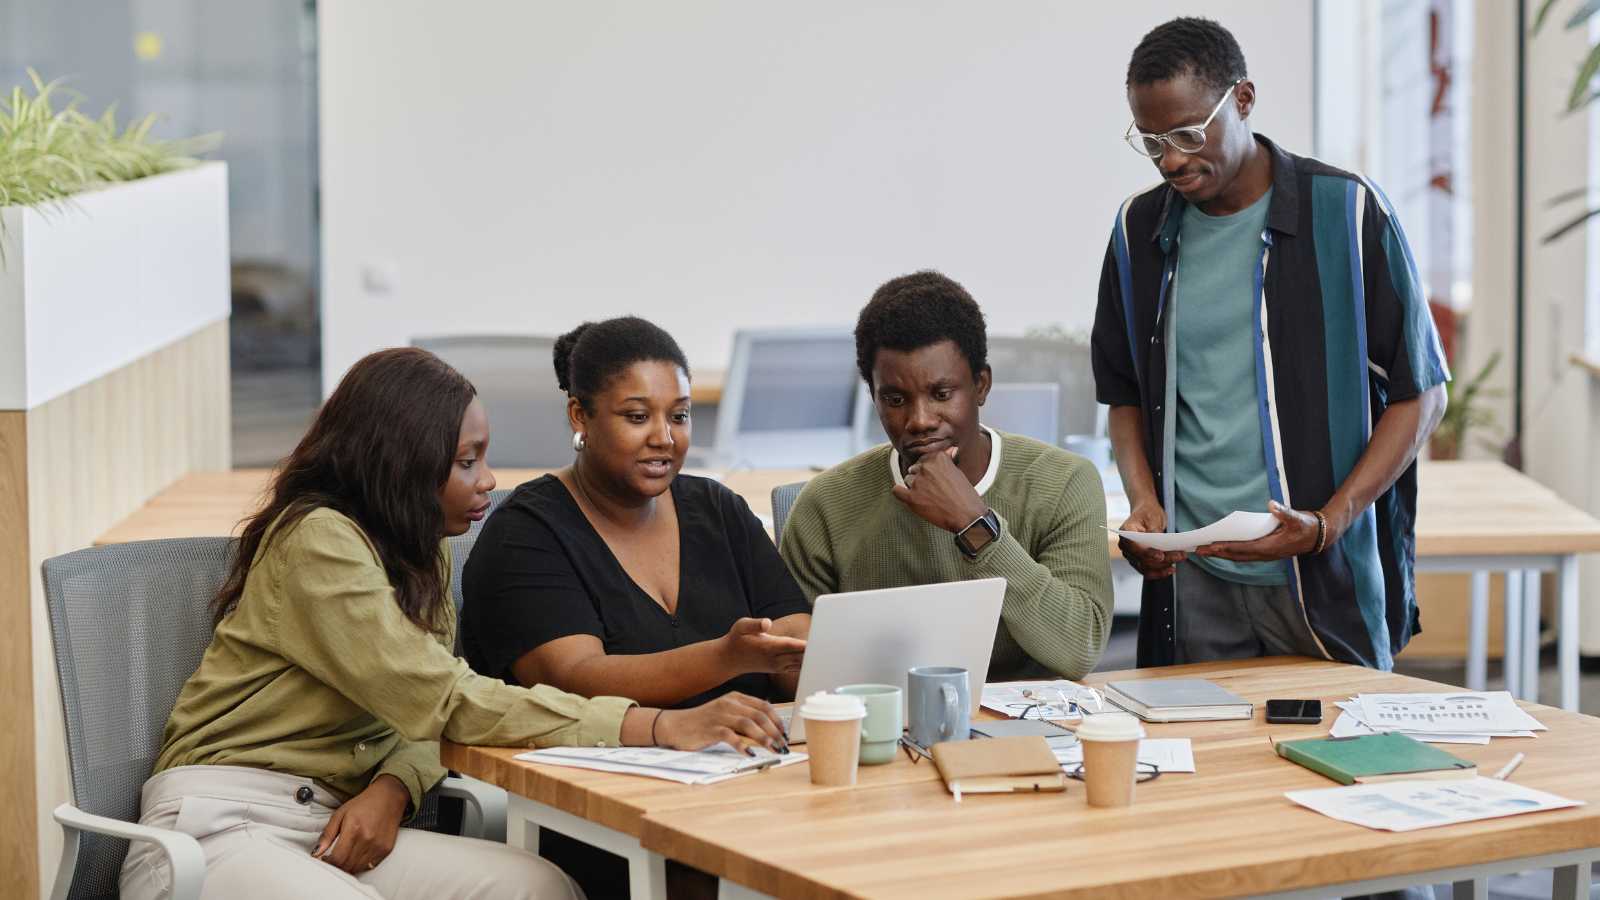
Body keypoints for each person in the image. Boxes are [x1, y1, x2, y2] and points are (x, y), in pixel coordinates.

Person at [122, 348, 785, 900]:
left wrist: (392, 787)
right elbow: (443, 699)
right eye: (466, 461)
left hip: (329, 820)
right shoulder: (317, 541)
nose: (488, 480)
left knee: (540, 890)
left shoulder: (422, 550)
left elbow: (427, 703)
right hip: (223, 824)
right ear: (402, 462)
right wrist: (655, 725)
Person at [1092, 17, 1449, 671]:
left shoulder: (1348, 214)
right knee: (1199, 766)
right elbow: (1124, 398)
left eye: (1188, 134)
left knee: (1348, 758)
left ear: (1244, 99)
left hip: (1324, 574)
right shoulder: (1136, 232)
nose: (1171, 158)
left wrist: (1333, 520)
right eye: (1150, 141)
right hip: (1193, 578)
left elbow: (1421, 394)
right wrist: (1145, 504)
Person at [460, 316, 810, 898]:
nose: (664, 437)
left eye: (679, 416)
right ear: (580, 418)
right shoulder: (526, 533)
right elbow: (575, 679)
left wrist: (805, 651)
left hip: (753, 789)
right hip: (600, 809)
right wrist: (725, 658)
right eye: (637, 416)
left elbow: (793, 629)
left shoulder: (717, 509)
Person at [780, 271, 1114, 681]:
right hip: (880, 725)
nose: (920, 421)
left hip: (1030, 730)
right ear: (874, 397)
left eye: (941, 395)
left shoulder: (1065, 482)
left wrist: (975, 525)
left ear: (981, 386)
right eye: (895, 399)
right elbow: (791, 670)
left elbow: (1079, 649)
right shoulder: (824, 506)